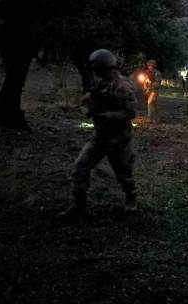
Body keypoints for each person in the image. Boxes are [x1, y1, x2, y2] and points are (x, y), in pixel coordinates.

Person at [59, 49, 139, 218]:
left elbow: (131, 113)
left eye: (97, 69)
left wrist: (108, 116)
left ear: (103, 67)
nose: (95, 72)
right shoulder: (103, 83)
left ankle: (131, 200)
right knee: (80, 167)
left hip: (118, 139)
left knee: (124, 175)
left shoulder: (122, 87)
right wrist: (89, 98)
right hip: (100, 137)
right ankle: (78, 205)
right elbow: (97, 94)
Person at [144, 59, 162, 124]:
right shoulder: (147, 72)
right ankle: (152, 118)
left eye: (150, 65)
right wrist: (145, 84)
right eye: (148, 65)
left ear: (153, 66)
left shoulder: (157, 73)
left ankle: (153, 118)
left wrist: (151, 83)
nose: (148, 66)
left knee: (151, 103)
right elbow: (144, 81)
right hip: (148, 90)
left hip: (154, 90)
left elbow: (158, 84)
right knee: (151, 104)